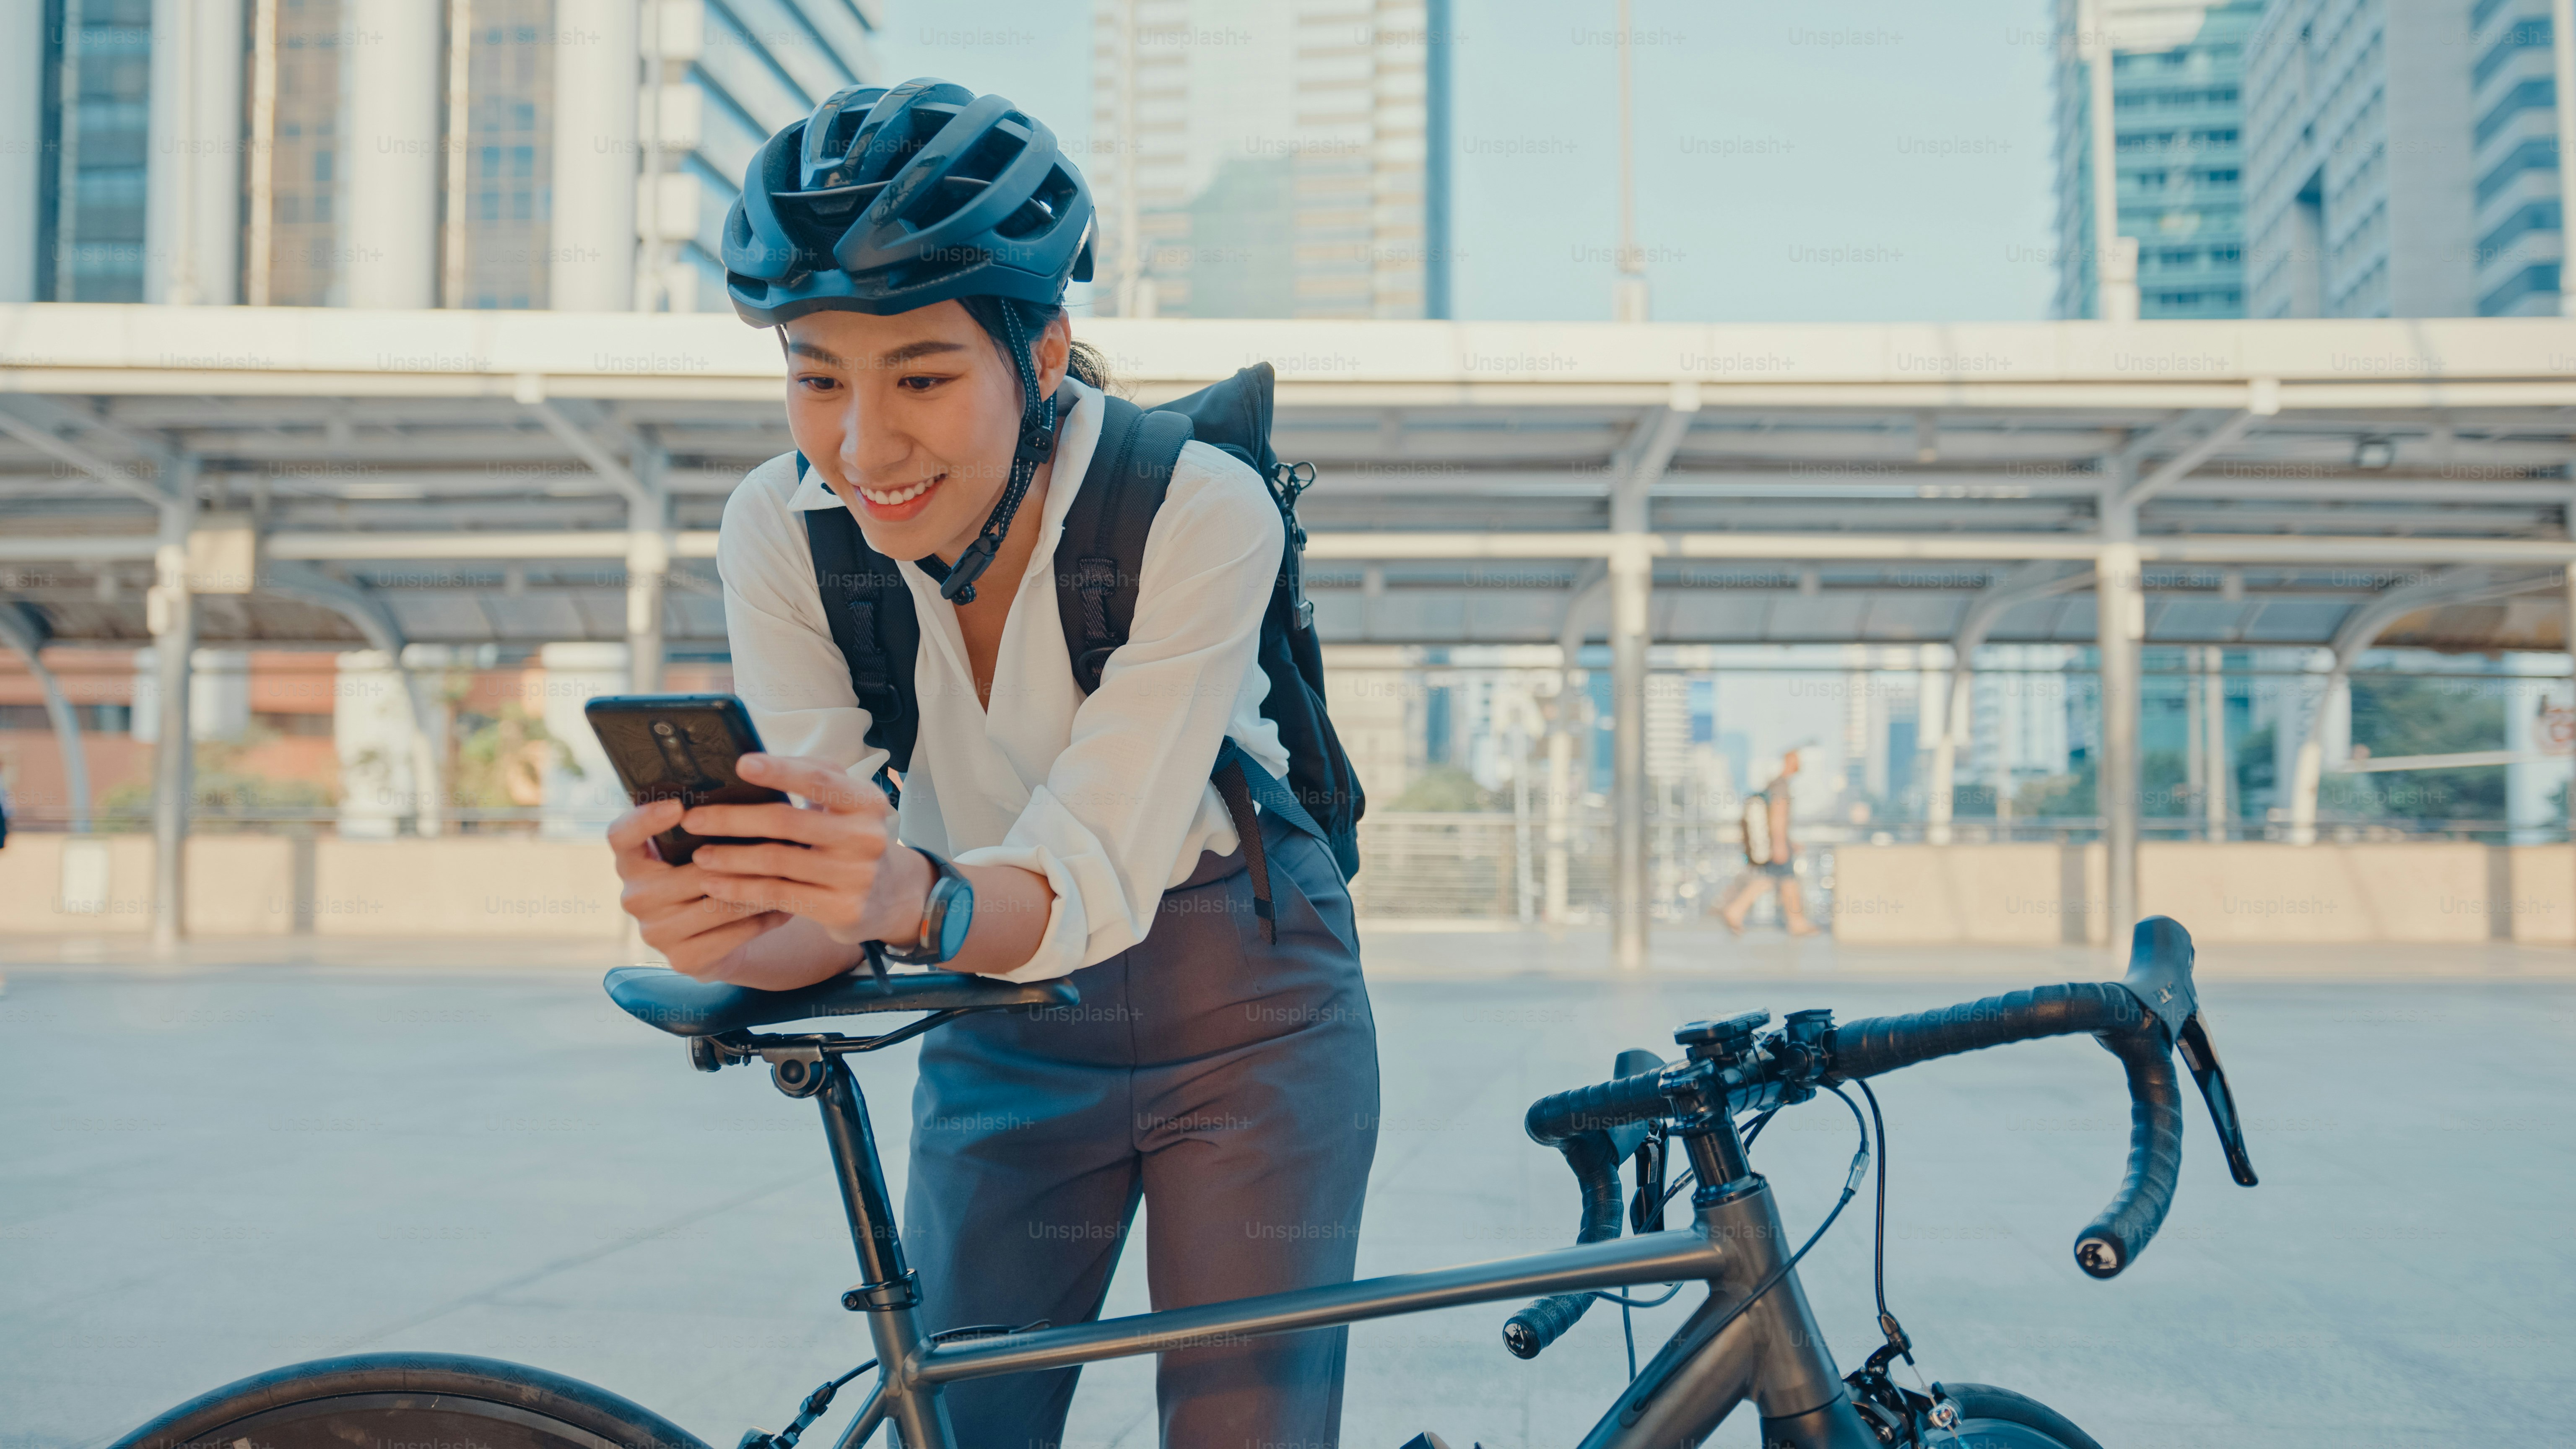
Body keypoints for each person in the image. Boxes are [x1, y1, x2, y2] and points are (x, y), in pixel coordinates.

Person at [604, 80, 1379, 1449]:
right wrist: (736, 922)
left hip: (1247, 1002)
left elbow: (1075, 870)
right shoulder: (783, 531)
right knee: (958, 1424)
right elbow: (830, 914)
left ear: (1040, 354)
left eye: (920, 375)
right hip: (999, 1016)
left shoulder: (1195, 506)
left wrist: (904, 898)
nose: (862, 443)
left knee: (1242, 1426)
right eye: (816, 375)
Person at [1720, 749, 1820, 937]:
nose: (1800, 764)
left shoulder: (1775, 784)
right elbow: (1778, 816)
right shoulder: (1781, 786)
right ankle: (1795, 923)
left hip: (1778, 842)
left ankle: (1737, 911)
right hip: (1778, 844)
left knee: (1775, 880)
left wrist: (1788, 842)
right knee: (1783, 879)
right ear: (1789, 763)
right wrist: (1781, 844)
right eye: (1796, 760)